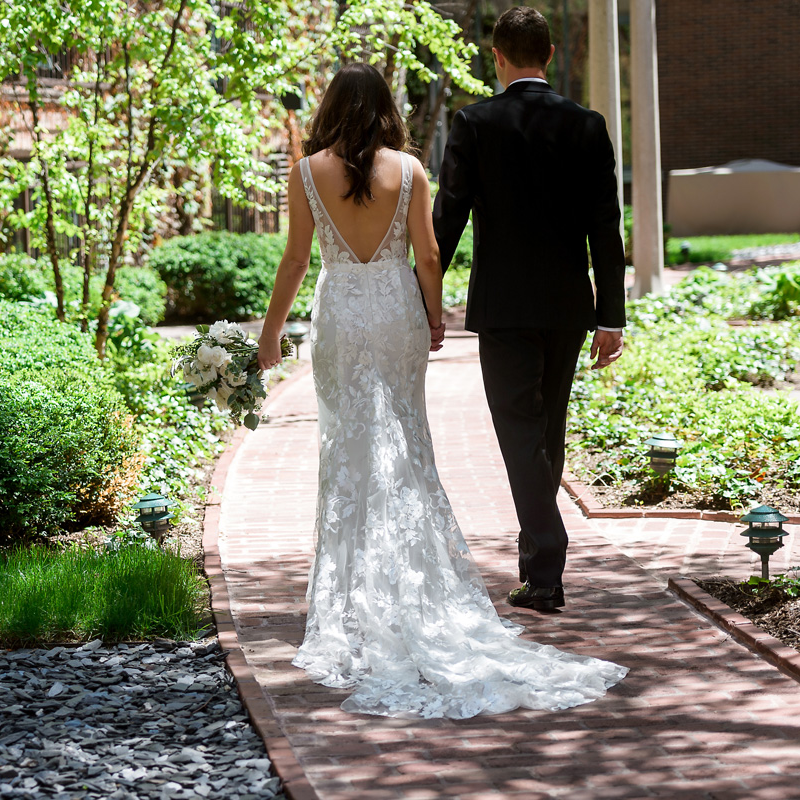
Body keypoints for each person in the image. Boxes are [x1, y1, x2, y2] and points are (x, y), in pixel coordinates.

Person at [255, 60, 626, 720]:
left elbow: (292, 258)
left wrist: (270, 334)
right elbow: (428, 255)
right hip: (396, 311)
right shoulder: (410, 169)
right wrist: (433, 315)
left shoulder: (307, 170)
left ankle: (349, 601)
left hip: (341, 313)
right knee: (406, 441)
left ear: (330, 107)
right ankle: (416, 587)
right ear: (387, 109)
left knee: (345, 455)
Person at [433, 6, 627, 612]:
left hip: (505, 307)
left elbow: (448, 221)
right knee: (547, 430)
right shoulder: (588, 126)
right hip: (569, 307)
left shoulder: (474, 123)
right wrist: (611, 316)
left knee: (522, 433)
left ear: (497, 57)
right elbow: (606, 229)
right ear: (548, 55)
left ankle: (547, 552)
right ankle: (540, 574)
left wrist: (423, 299)